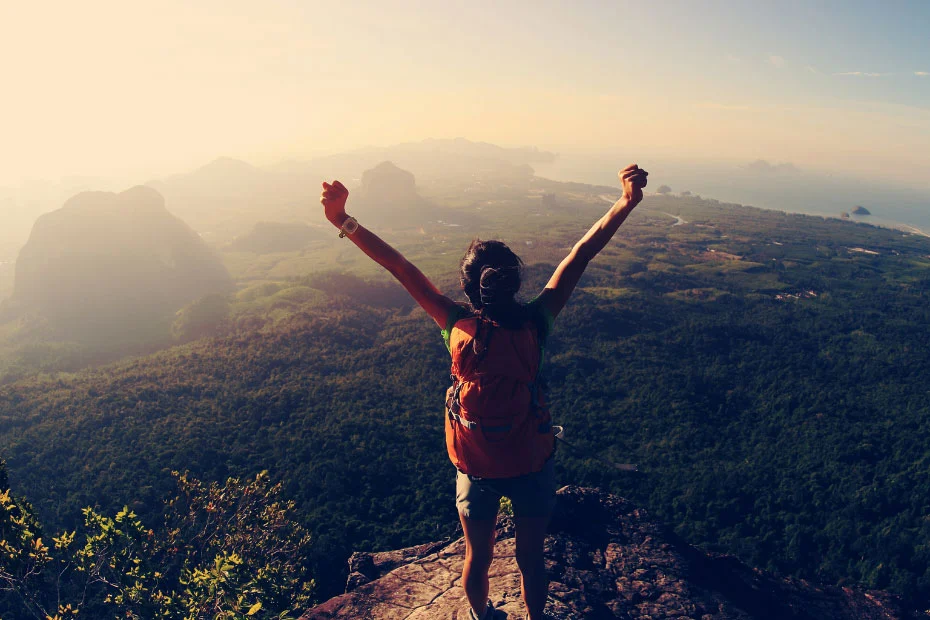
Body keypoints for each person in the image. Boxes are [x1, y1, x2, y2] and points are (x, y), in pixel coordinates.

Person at [320, 164, 648, 620]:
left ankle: (483, 617)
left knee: (478, 556)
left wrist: (343, 220)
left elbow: (399, 266)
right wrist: (625, 201)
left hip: (476, 465)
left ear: (467, 287)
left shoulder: (455, 324)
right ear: (515, 282)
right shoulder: (537, 321)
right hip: (531, 461)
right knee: (531, 560)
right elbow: (581, 254)